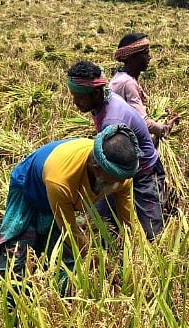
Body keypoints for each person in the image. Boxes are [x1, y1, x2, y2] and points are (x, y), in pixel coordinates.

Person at [0, 124, 140, 283]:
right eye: (116, 180)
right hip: (29, 188)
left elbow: (128, 220)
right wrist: (98, 261)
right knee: (15, 256)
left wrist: (135, 256)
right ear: (97, 169)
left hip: (61, 201)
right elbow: (69, 231)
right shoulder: (62, 181)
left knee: (63, 259)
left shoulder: (121, 176)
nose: (121, 183)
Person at [67, 60, 168, 240]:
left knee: (151, 232)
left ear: (96, 92)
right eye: (73, 96)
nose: (75, 102)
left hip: (143, 172)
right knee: (97, 219)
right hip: (119, 167)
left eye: (79, 97)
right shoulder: (105, 100)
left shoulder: (112, 120)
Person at [109, 33, 179, 144]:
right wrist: (164, 129)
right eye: (145, 54)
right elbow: (143, 122)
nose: (149, 57)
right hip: (124, 143)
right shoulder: (127, 83)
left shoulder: (122, 77)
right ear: (132, 57)